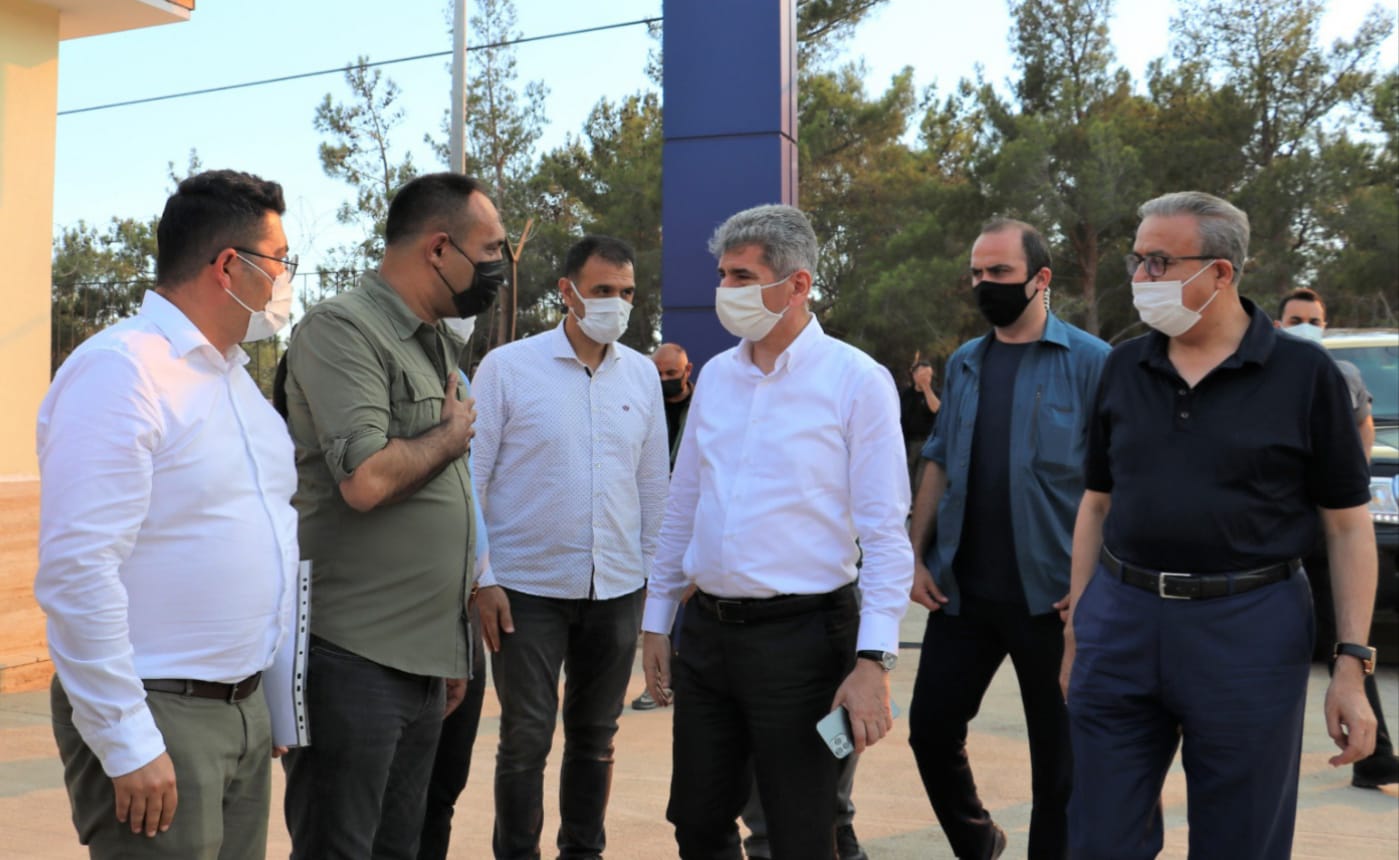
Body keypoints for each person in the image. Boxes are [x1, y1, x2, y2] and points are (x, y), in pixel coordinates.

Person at [1062, 191, 1378, 860]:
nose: (1140, 277)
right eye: (1135, 260)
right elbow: (1096, 504)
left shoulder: (1304, 375)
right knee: (1097, 838)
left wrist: (1350, 664)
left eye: (1158, 262)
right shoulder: (1123, 366)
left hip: (1249, 628)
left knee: (1240, 840)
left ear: (1221, 272)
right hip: (1120, 623)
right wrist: (1077, 628)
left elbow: (1348, 528)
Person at [35, 169, 299, 858]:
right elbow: (78, 568)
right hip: (158, 712)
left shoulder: (236, 381)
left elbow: (271, 536)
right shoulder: (122, 370)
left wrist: (271, 701)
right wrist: (126, 739)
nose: (285, 280)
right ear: (228, 266)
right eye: (280, 261)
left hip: (241, 711)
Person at [640, 204, 914, 859]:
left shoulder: (857, 381)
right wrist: (656, 618)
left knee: (799, 833)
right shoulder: (716, 378)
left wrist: (873, 662)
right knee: (697, 821)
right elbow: (684, 504)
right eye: (722, 275)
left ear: (797, 285)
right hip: (707, 637)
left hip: (805, 643)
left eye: (742, 276)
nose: (725, 290)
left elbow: (884, 534)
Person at [280, 172, 505, 859]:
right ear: (438, 249)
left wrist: (449, 645)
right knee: (340, 846)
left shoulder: (434, 341)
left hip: (422, 658)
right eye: (489, 250)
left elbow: (445, 502)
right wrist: (449, 436)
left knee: (398, 846)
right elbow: (368, 479)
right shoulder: (342, 328)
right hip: (353, 657)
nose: (497, 268)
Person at [905, 218, 1107, 860]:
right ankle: (978, 841)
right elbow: (938, 459)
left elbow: (1119, 484)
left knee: (1059, 768)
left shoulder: (1093, 363)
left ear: (1040, 278)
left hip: (1054, 601)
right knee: (930, 731)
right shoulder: (966, 362)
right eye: (976, 273)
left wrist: (1097, 581)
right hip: (963, 596)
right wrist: (914, 554)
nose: (983, 284)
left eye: (999, 272)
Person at [471, 235, 669, 860]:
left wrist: (655, 594)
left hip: (617, 588)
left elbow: (653, 488)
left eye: (627, 292)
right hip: (524, 591)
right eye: (603, 290)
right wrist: (481, 577)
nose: (617, 303)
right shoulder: (507, 368)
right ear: (567, 291)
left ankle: (583, 853)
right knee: (525, 740)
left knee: (596, 737)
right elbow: (470, 482)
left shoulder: (641, 374)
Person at [1276, 287, 1398, 789]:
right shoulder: (1264, 372)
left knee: (1346, 646)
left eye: (1314, 319)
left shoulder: (1342, 374)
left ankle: (1375, 755)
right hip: (1274, 533)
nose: (1307, 326)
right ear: (1278, 324)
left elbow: (1363, 427)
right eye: (1296, 319)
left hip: (1327, 532)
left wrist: (1350, 480)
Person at [418, 314, 493, 860]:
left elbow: (468, 493)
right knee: (396, 798)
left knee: (442, 789)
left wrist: (483, 581)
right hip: (410, 612)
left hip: (460, 606)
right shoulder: (363, 365)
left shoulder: (458, 379)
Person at [632, 341, 694, 712]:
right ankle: (655, 684)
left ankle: (682, 681)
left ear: (688, 371)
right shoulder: (643, 407)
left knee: (690, 604)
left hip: (692, 522)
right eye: (657, 373)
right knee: (652, 610)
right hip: (649, 520)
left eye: (671, 373)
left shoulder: (704, 408)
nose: (664, 379)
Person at [900, 359, 941, 488]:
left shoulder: (935, 393)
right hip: (908, 443)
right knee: (907, 479)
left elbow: (936, 409)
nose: (926, 378)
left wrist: (926, 388)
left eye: (929, 375)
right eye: (923, 375)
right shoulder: (906, 394)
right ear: (914, 375)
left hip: (927, 443)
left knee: (921, 482)